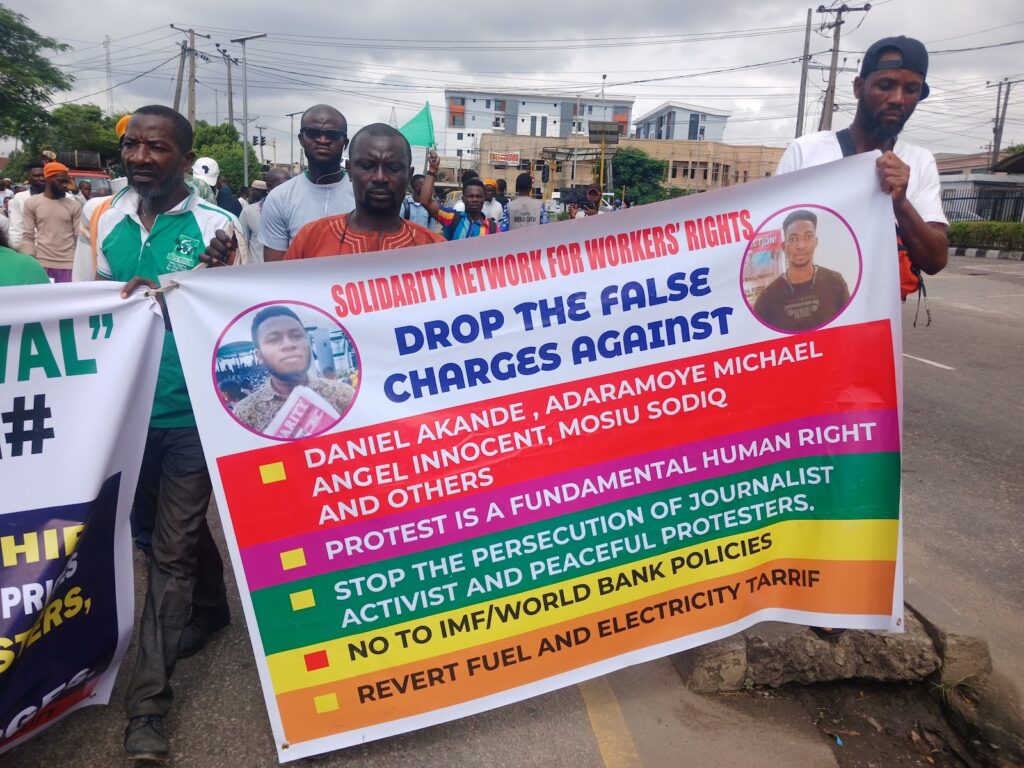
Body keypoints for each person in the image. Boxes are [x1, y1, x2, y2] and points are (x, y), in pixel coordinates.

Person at [90, 104, 241, 763]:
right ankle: (211, 610)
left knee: (169, 553)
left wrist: (225, 273)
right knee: (153, 535)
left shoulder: (220, 227)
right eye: (133, 146)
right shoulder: (102, 219)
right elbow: (84, 310)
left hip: (189, 416)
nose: (141, 157)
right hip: (121, 416)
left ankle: (147, 711)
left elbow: (245, 313)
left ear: (184, 158)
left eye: (157, 148)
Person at [775, 35, 948, 288]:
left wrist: (900, 203)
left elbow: (935, 261)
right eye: (885, 85)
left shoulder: (919, 162)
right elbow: (768, 240)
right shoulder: (806, 151)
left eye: (912, 89)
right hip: (804, 314)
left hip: (876, 324)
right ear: (859, 87)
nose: (898, 98)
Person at [207, 124, 442, 263]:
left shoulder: (435, 249)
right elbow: (278, 303)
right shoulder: (312, 238)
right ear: (350, 171)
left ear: (408, 174)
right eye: (367, 166)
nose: (380, 177)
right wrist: (227, 272)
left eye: (393, 168)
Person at [232, 306, 355, 433]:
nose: (288, 345)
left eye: (296, 336)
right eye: (274, 340)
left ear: (308, 345)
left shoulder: (343, 395)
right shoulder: (245, 414)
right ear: (260, 356)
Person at [259, 104, 355, 261]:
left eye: (332, 135)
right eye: (313, 133)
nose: (322, 140)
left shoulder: (363, 195)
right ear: (301, 139)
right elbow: (275, 273)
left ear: (345, 142)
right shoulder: (280, 198)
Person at [752, 209, 851, 332]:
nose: (801, 246)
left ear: (816, 242)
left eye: (808, 237)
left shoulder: (835, 283)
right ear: (784, 246)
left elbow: (850, 329)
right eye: (793, 239)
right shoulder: (767, 299)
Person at [20, 162, 82, 283]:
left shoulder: (74, 206)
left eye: (66, 181)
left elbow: (79, 238)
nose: (65, 186)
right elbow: (28, 236)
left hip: (69, 266)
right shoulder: (32, 203)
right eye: (60, 181)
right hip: (40, 265)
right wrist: (30, 262)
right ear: (48, 180)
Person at [419, 150, 498, 239]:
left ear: (484, 198)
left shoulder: (493, 229)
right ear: (463, 198)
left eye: (478, 196)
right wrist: (433, 169)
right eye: (470, 196)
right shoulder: (451, 217)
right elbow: (425, 201)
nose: (475, 199)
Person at [8, 163, 45, 249]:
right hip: (29, 250)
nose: (42, 178)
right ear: (28, 177)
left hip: (52, 250)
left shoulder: (55, 197)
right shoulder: (20, 198)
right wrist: (18, 249)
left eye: (44, 175)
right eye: (37, 176)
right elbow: (16, 227)